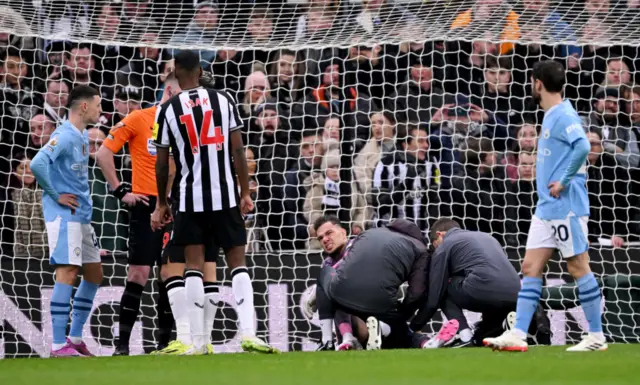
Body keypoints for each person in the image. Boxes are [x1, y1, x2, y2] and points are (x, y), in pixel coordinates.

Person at [151, 50, 278, 355]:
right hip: (224, 195)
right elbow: (238, 150)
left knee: (193, 265)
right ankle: (248, 333)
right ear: (200, 70)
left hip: (190, 198)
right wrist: (245, 192)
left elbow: (162, 162)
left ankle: (197, 342)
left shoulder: (167, 109)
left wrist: (161, 202)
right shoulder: (225, 100)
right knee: (237, 261)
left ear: (178, 70)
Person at [484, 60, 606, 352]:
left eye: (530, 82)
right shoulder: (551, 114)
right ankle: (518, 334)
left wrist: (563, 179)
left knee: (577, 266)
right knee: (530, 267)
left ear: (537, 83)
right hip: (546, 208)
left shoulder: (564, 114)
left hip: (566, 207)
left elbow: (584, 146)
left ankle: (597, 337)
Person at [95, 77, 178, 356]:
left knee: (169, 274)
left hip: (176, 205)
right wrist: (121, 192)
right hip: (145, 203)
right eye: (181, 92)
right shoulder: (139, 118)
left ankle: (165, 344)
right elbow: (103, 154)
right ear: (169, 90)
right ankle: (122, 346)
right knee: (139, 273)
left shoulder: (185, 123)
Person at [152, 71, 225, 356]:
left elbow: (169, 166)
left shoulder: (180, 118)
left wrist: (162, 203)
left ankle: (186, 337)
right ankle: (204, 339)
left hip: (188, 200)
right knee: (208, 264)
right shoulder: (219, 115)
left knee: (172, 265)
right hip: (219, 199)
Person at [30, 85, 103, 357]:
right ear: (84, 106)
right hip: (64, 215)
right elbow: (37, 163)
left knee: (94, 273)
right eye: (97, 104)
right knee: (68, 271)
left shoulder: (82, 135)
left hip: (81, 215)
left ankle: (74, 337)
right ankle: (58, 344)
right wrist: (56, 194)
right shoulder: (63, 135)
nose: (100, 109)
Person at [310, 215, 432, 351]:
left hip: (368, 303)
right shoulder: (330, 260)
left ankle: (333, 340)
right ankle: (421, 341)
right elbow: (417, 292)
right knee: (399, 331)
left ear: (343, 232)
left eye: (329, 233)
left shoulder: (359, 242)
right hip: (380, 304)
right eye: (320, 238)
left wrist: (318, 288)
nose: (325, 240)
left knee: (332, 283)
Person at [411, 218, 523, 348]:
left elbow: (434, 298)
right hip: (516, 293)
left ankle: (465, 336)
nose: (435, 249)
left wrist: (414, 327)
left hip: (483, 290)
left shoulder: (445, 245)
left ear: (439, 235)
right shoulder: (488, 237)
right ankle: (507, 325)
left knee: (443, 286)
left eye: (434, 245)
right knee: (484, 335)